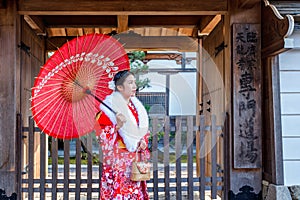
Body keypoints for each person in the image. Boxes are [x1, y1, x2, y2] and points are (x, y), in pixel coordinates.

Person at [95, 70, 150, 200]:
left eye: (134, 82)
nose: (134, 86)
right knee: (119, 192)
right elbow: (101, 136)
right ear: (119, 87)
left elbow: (143, 130)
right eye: (130, 83)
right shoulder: (106, 109)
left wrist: (142, 140)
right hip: (117, 160)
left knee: (135, 192)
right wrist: (117, 126)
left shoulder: (137, 108)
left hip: (135, 158)